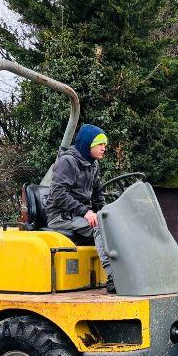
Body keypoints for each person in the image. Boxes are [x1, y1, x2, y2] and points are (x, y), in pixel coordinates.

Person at [46, 123, 115, 293]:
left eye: (104, 144)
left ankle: (128, 274)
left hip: (78, 215)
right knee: (98, 226)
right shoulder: (67, 162)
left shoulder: (93, 165)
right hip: (60, 216)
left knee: (112, 224)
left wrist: (106, 213)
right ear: (87, 144)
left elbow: (97, 195)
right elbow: (58, 194)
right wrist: (85, 212)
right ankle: (114, 277)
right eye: (100, 144)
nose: (103, 148)